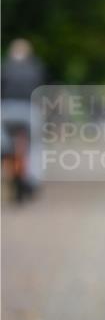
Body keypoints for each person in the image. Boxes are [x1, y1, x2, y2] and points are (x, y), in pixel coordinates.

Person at [1, 38, 45, 203]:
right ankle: (33, 179)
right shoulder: (36, 68)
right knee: (35, 145)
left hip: (6, 112)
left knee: (4, 145)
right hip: (29, 111)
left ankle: (7, 165)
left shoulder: (4, 68)